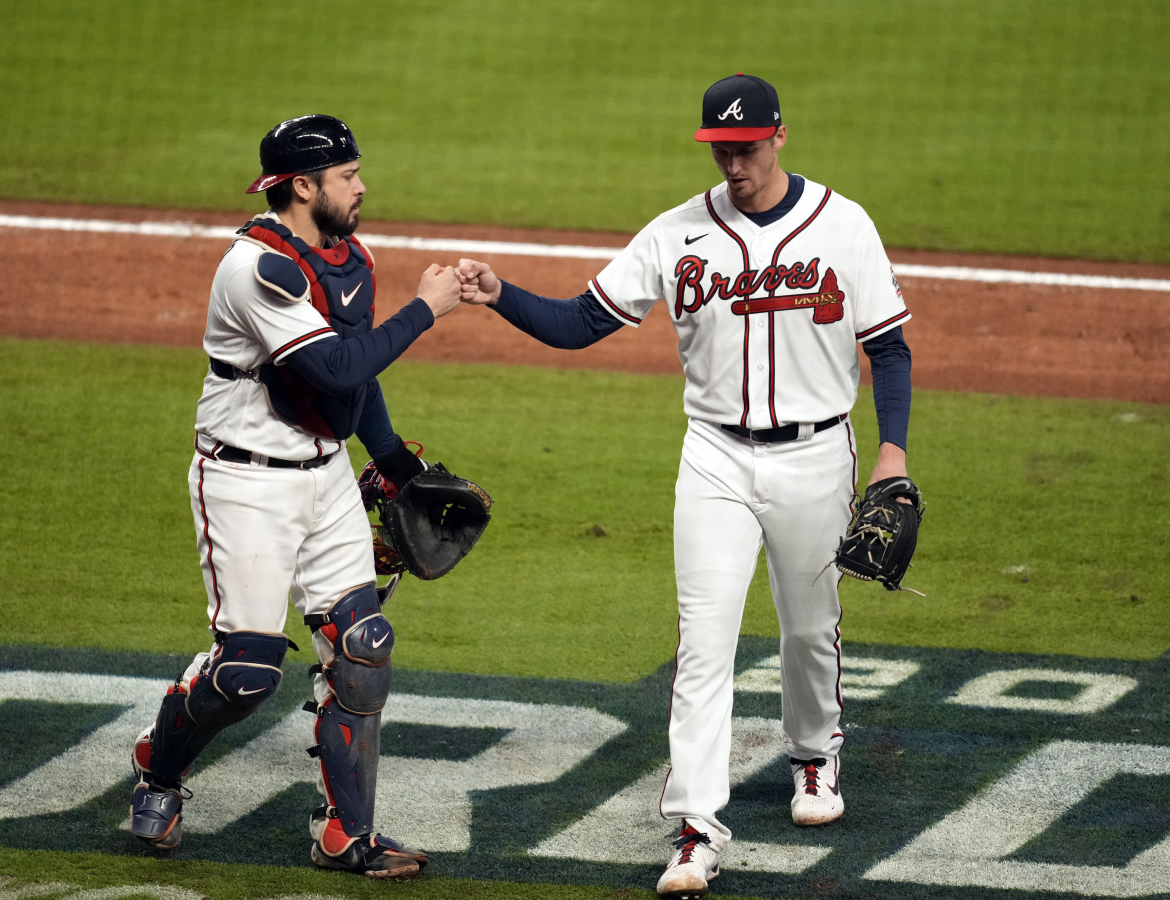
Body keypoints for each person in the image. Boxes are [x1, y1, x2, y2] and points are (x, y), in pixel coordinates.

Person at [456, 74, 914, 898]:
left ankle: (815, 757)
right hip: (713, 458)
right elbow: (579, 323)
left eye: (746, 147)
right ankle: (697, 829)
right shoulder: (677, 234)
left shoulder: (844, 227)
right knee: (703, 646)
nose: (733, 163)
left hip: (817, 456)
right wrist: (500, 297)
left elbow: (890, 348)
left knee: (810, 628)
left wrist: (893, 455)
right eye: (721, 150)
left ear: (780, 137)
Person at [128, 114, 462, 881]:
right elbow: (340, 369)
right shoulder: (257, 270)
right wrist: (428, 309)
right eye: (347, 176)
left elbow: (357, 382)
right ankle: (159, 763)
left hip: (325, 475)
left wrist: (393, 467)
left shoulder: (346, 255)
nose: (362, 185)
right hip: (245, 482)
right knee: (245, 674)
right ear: (304, 186)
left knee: (361, 648)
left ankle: (348, 833)